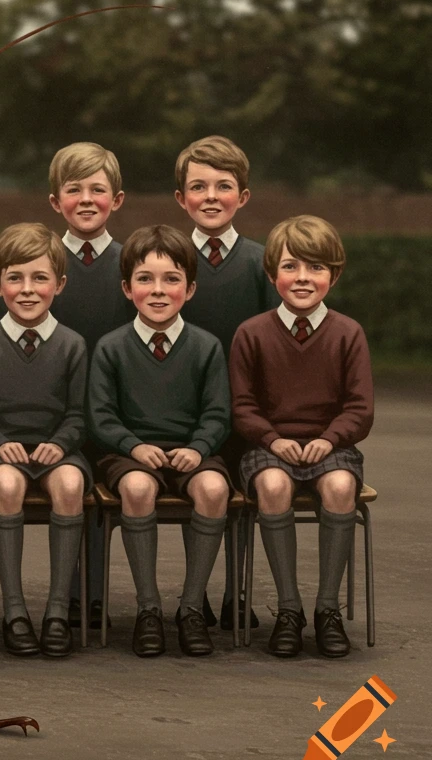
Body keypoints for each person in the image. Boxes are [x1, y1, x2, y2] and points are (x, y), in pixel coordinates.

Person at [229, 215, 373, 658]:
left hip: (332, 447)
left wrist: (330, 440)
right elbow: (242, 406)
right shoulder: (251, 333)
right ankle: (289, 609)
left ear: (334, 275)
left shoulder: (348, 333)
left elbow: (360, 409)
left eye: (315, 268)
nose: (303, 278)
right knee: (273, 486)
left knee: (340, 485)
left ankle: (327, 609)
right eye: (291, 267)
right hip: (269, 448)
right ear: (272, 275)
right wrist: (272, 439)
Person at [87, 225, 231, 658]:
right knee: (137, 488)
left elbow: (218, 413)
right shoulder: (111, 347)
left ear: (189, 288)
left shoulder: (206, 347)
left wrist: (199, 447)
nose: (158, 290)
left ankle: (189, 609)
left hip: (192, 452)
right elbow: (100, 416)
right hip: (129, 454)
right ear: (127, 288)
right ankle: (148, 609)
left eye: (171, 279)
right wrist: (134, 446)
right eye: (145, 279)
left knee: (214, 489)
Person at [0, 223, 90, 658]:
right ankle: (15, 612)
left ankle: (56, 611)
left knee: (71, 486)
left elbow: (78, 413)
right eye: (15, 278)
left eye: (40, 278)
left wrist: (61, 442)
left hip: (56, 450)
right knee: (8, 485)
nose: (28, 289)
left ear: (60, 284)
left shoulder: (73, 345)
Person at [174, 135, 278, 630]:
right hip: (185, 408)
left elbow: (272, 338)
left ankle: (238, 591)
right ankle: (196, 594)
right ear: (181, 198)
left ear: (244, 196)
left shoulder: (262, 262)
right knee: (201, 495)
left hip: (245, 403)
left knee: (243, 499)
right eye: (199, 186)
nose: (211, 196)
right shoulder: (169, 261)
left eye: (224, 185)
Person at [46, 141, 135, 630]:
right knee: (70, 491)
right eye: (73, 189)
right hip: (55, 406)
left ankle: (93, 595)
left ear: (116, 200)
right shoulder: (40, 263)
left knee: (107, 492)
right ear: (55, 202)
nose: (86, 199)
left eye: (97, 190)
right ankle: (67, 595)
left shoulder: (131, 264)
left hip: (115, 408)